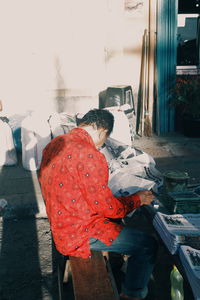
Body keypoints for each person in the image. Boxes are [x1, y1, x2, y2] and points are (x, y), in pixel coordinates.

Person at [39, 109, 158, 300]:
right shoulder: (89, 155)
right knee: (147, 245)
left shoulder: (54, 144)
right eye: (105, 139)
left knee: (117, 221)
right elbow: (108, 207)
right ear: (102, 130)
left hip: (60, 223)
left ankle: (119, 263)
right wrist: (138, 199)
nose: (102, 145)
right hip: (77, 233)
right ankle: (132, 294)